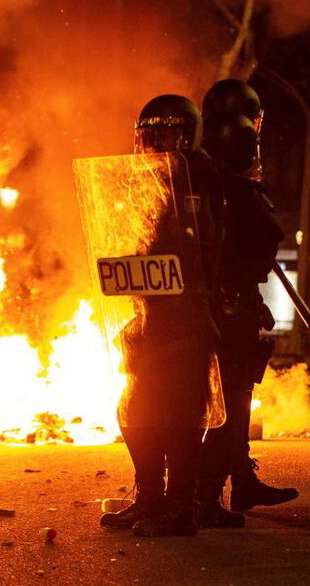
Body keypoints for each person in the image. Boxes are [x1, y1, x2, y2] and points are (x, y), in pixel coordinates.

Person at [98, 94, 225, 537]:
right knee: (135, 411)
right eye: (149, 136)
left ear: (186, 137)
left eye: (166, 135)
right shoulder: (147, 181)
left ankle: (180, 508)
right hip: (149, 316)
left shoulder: (197, 179)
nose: (155, 145)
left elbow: (196, 246)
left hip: (186, 317)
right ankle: (150, 498)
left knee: (179, 417)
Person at [195, 79, 298, 528]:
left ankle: (239, 478)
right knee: (229, 403)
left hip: (200, 310)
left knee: (223, 402)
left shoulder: (189, 179)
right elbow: (264, 242)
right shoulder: (235, 190)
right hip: (229, 309)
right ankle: (205, 495)